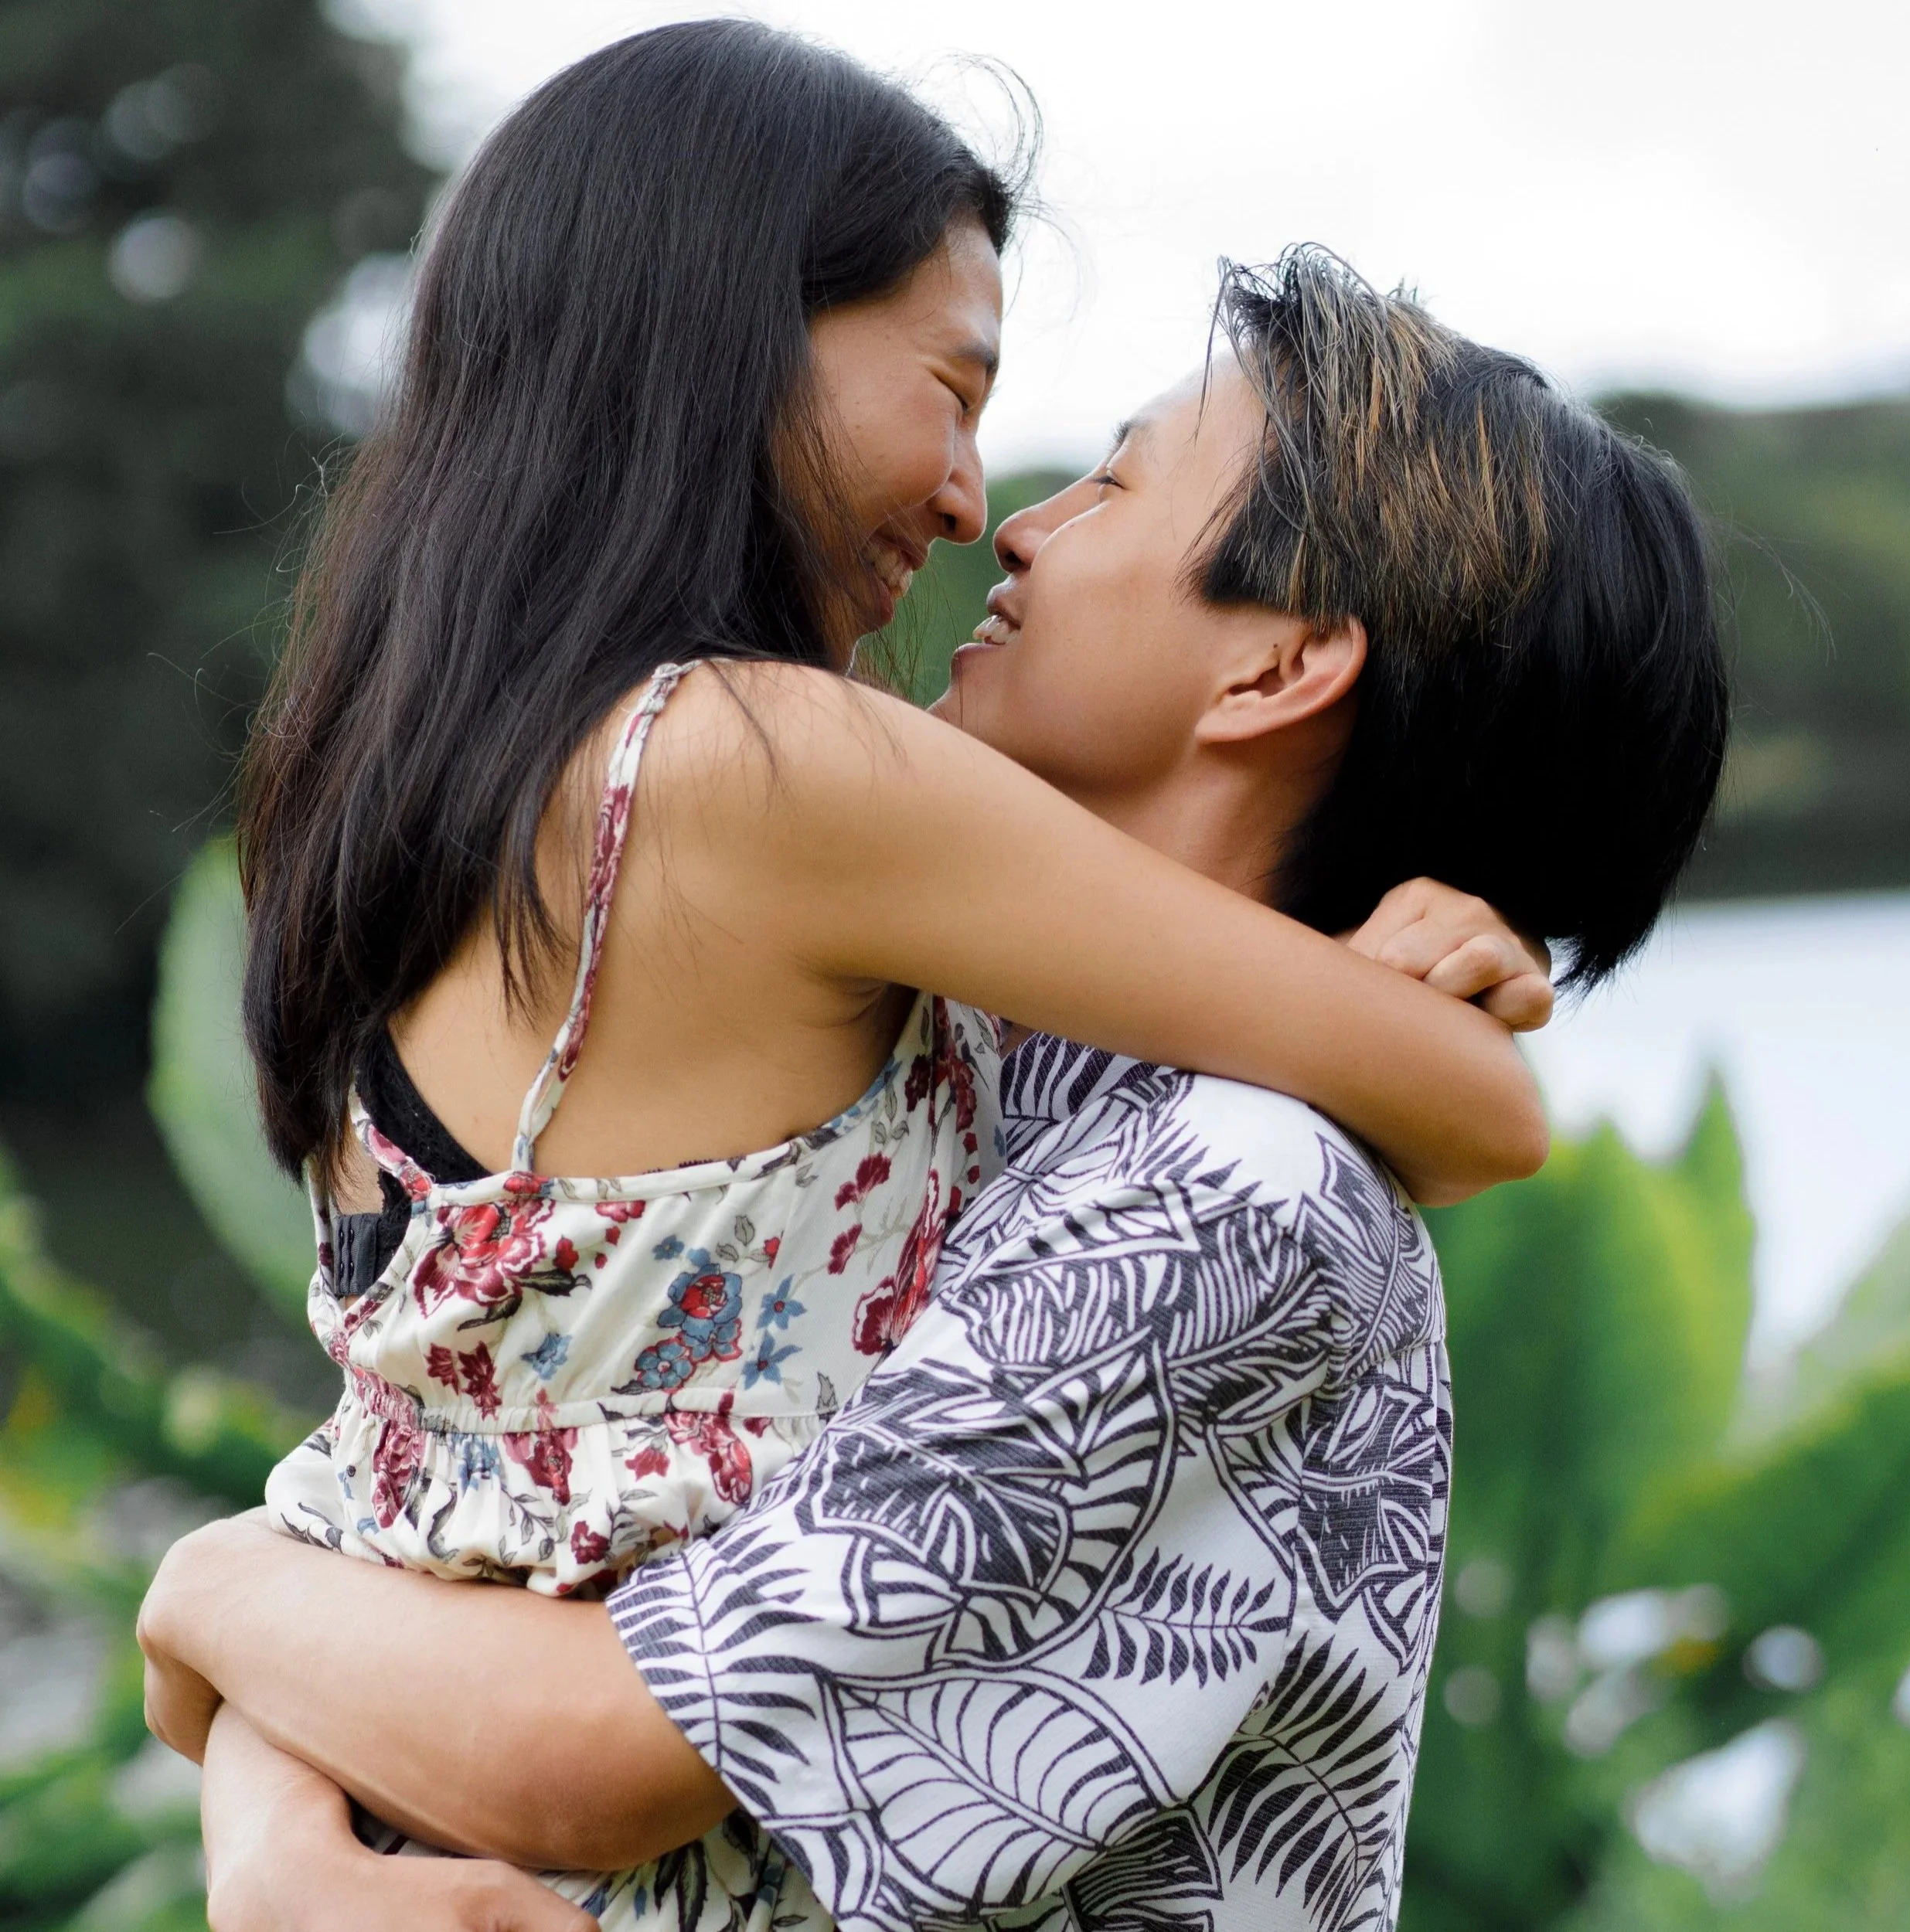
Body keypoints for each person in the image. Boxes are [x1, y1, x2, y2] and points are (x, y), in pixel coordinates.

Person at [138, 15, 1558, 1927]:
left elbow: (395, 1459)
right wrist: (1395, 1005)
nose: (977, 499)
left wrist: (245, 1731)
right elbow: (1476, 1110)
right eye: (952, 388)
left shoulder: (419, 798)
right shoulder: (770, 761)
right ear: (730, 334)